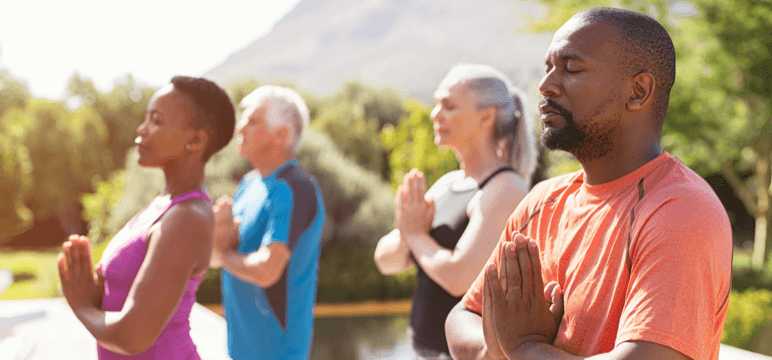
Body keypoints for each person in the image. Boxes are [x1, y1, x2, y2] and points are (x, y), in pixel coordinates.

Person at [445, 7, 733, 360]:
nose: (546, 84)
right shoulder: (543, 202)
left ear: (638, 92)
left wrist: (523, 348)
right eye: (549, 66)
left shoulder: (680, 210)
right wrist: (507, 347)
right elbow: (462, 318)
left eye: (571, 68)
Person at [57, 76, 236, 359]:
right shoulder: (163, 205)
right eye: (145, 118)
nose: (142, 129)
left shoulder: (187, 217)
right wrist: (96, 297)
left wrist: (82, 307)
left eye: (156, 120)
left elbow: (132, 337)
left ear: (196, 139)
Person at [374, 64, 538, 359]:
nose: (436, 115)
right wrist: (408, 237)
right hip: (422, 349)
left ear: (486, 117)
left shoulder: (506, 188)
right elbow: (387, 262)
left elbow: (459, 278)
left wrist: (413, 234)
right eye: (437, 104)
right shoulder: (448, 184)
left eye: (449, 106)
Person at [209, 85, 325, 360]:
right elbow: (214, 259)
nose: (240, 128)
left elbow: (266, 270)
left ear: (280, 135)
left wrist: (223, 253)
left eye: (252, 121)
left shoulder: (296, 188)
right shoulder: (249, 185)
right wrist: (217, 237)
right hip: (239, 351)